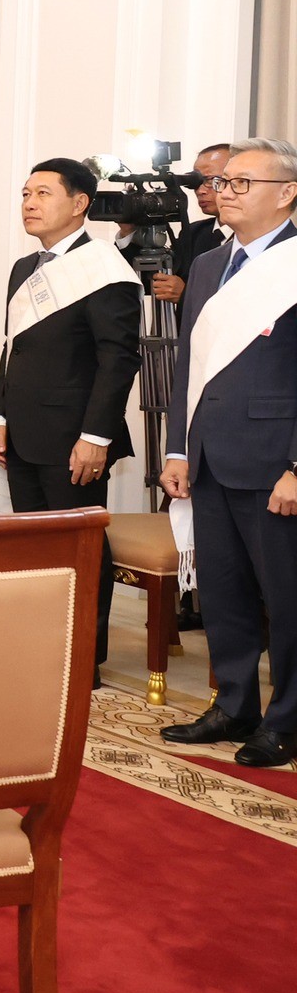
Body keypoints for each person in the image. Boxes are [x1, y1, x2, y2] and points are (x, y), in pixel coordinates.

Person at [159, 138, 297, 768]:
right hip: (209, 455)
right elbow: (190, 363)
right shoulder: (211, 263)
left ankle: (287, 720)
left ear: (286, 193)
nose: (225, 192)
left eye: (243, 182)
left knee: (286, 599)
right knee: (223, 593)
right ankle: (235, 704)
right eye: (223, 182)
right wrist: (178, 449)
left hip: (274, 462)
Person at [0, 159, 140, 682]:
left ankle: (81, 662)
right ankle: (38, 648)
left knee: (80, 550)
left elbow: (118, 360)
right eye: (25, 193)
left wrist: (95, 436)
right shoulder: (23, 268)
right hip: (23, 433)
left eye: (43, 193)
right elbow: (12, 349)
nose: (29, 203)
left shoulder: (105, 269)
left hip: (75, 439)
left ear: (79, 203)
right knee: (33, 549)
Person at [119, 142, 232, 303]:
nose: (200, 190)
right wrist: (128, 231)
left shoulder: (257, 237)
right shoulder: (194, 233)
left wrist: (186, 295)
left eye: (210, 180)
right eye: (195, 182)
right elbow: (150, 282)